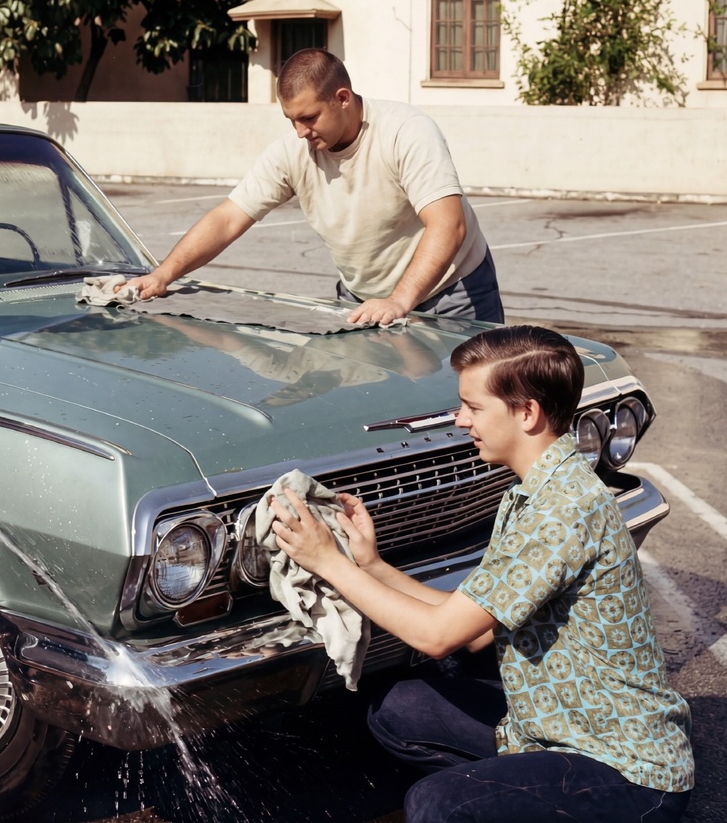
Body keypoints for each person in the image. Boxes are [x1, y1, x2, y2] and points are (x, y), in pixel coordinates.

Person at [269, 325, 694, 822]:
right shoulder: (533, 493)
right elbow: (470, 631)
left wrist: (329, 562)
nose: (459, 418)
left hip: (625, 770)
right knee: (401, 712)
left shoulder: (562, 511)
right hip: (549, 734)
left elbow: (436, 637)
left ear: (526, 413)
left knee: (436, 804)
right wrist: (373, 566)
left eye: (473, 406)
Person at [123, 49, 503, 325]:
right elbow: (227, 218)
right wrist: (163, 275)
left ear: (342, 99)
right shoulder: (295, 150)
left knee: (474, 413)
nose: (300, 131)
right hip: (365, 300)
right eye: (291, 120)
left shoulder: (406, 131)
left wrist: (399, 300)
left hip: (454, 295)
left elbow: (448, 225)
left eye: (308, 117)